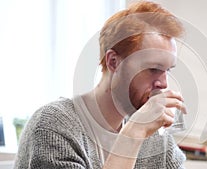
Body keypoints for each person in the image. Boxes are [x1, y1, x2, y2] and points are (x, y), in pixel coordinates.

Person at [14, 1, 187, 168]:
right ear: (113, 62)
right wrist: (133, 134)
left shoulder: (154, 135)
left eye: (167, 70)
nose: (163, 83)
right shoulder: (53, 126)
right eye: (153, 69)